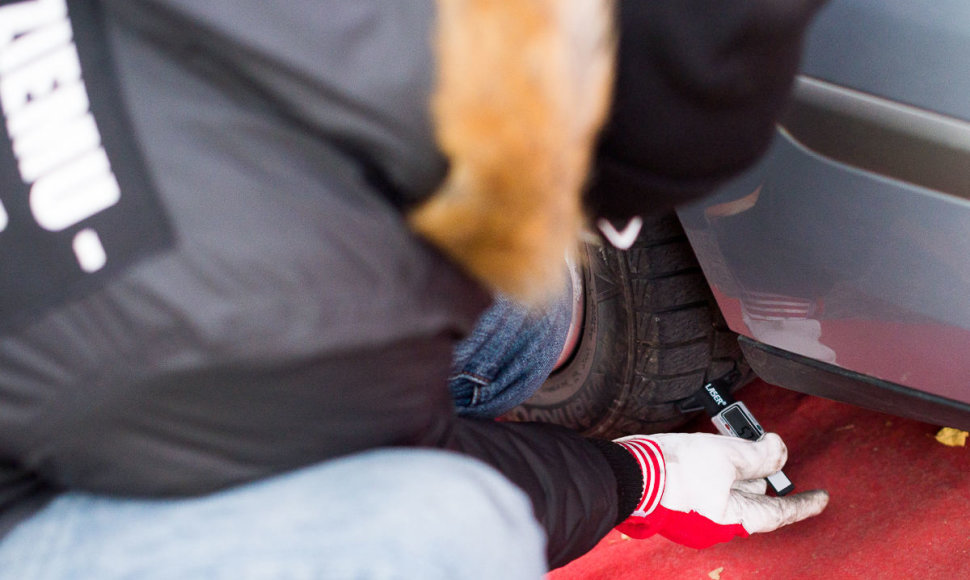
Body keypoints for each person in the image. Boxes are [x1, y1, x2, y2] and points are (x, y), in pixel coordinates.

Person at [0, 0, 829, 577]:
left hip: (106, 306)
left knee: (521, 314)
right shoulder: (280, 329)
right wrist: (640, 481)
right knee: (435, 533)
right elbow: (414, 466)